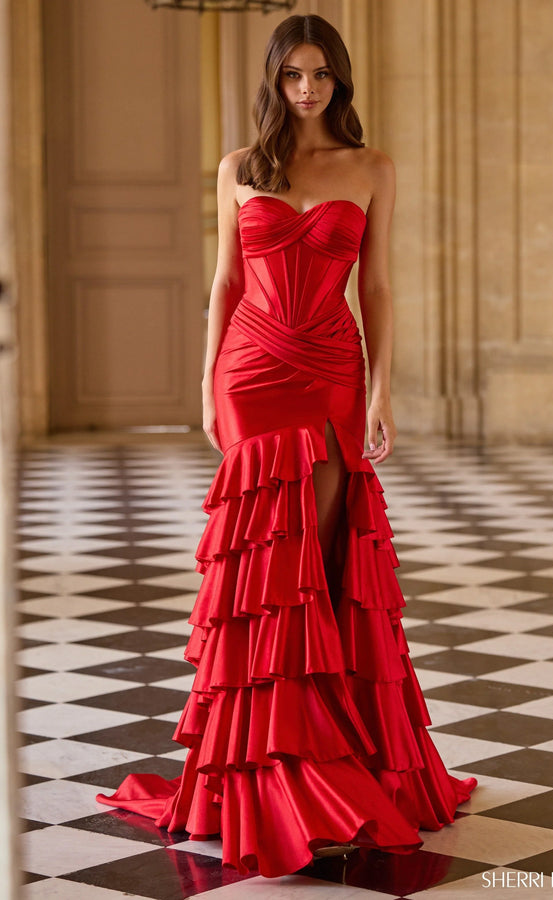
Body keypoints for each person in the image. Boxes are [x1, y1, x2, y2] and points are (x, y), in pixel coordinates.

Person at [97, 13, 476, 878]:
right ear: (273, 80)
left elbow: (376, 288)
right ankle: (263, 763)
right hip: (249, 374)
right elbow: (226, 280)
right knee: (259, 573)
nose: (306, 90)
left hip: (330, 374)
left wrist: (382, 389)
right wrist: (204, 383)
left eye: (321, 75)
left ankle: (318, 757)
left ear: (340, 80)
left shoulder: (372, 167)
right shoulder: (242, 169)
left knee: (315, 566)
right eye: (293, 76)